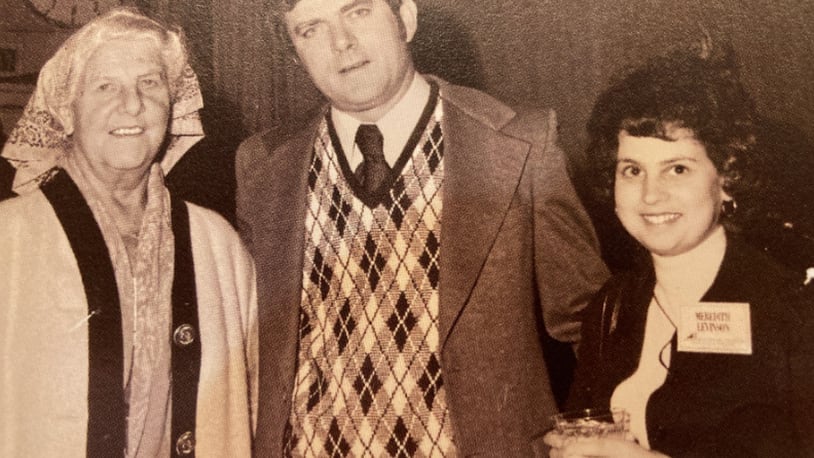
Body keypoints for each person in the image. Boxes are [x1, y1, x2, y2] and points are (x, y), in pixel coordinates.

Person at [235, 0, 608, 455]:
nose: (341, 43)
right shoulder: (263, 165)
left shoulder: (518, 144)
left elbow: (593, 327)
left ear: (405, 19)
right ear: (295, 54)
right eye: (311, 29)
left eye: (358, 12)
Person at [0, 8, 257, 457]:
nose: (133, 105)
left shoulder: (218, 246)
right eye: (105, 86)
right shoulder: (10, 240)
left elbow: (249, 406)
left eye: (150, 83)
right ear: (66, 107)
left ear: (174, 103)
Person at [544, 43, 814, 457]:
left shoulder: (792, 308)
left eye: (678, 168)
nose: (651, 195)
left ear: (726, 177)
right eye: (632, 170)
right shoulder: (611, 308)